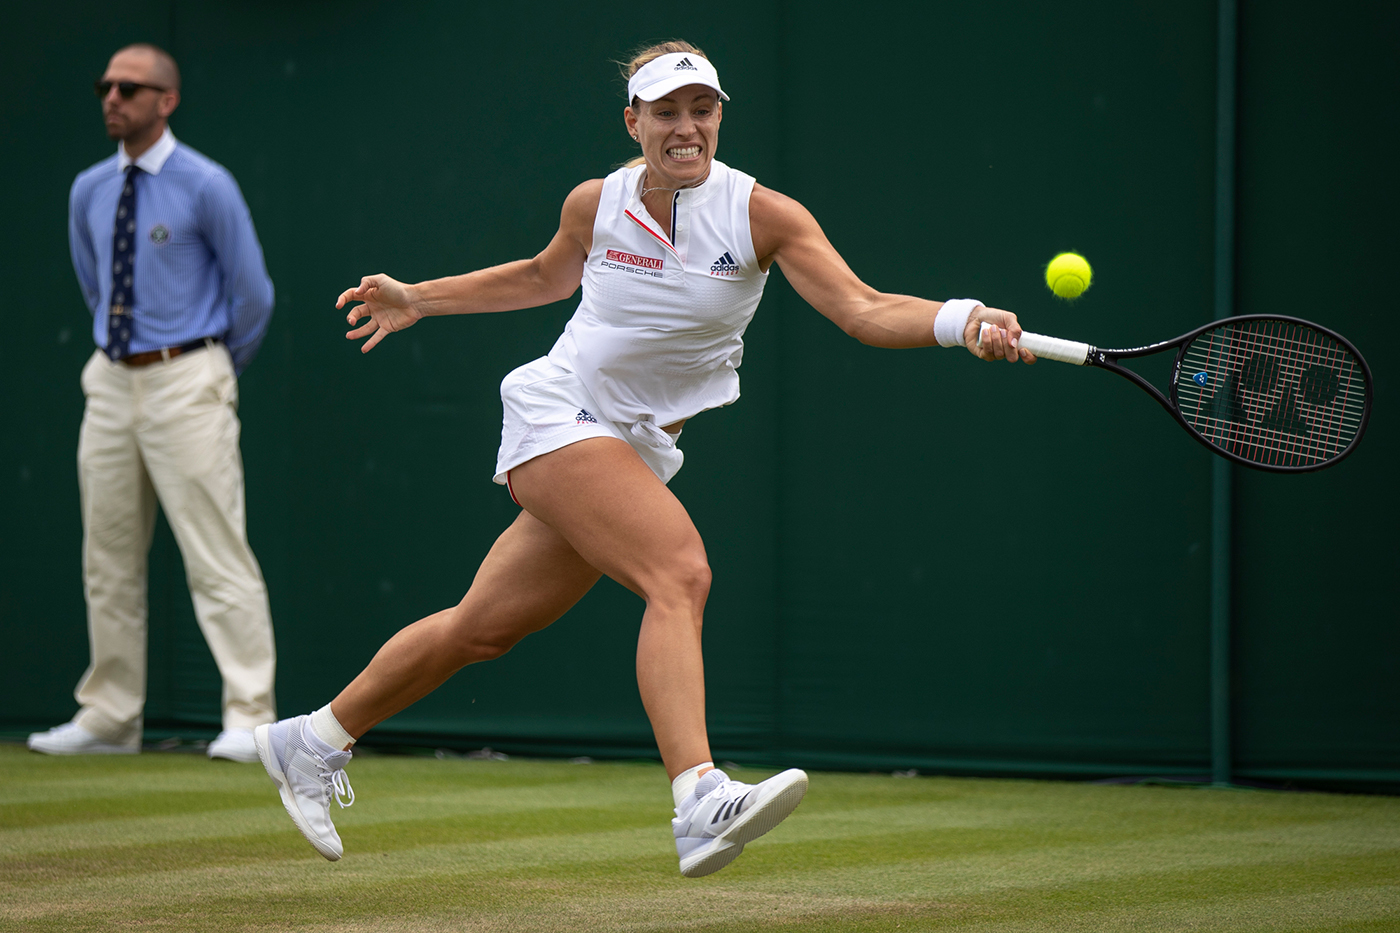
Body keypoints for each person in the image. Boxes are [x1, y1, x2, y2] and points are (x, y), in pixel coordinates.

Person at [253, 40, 1034, 875]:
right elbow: (540, 276)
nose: (687, 127)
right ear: (635, 122)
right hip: (558, 409)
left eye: (702, 109)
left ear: (720, 117)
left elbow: (865, 308)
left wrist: (963, 319)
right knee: (679, 572)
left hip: (634, 442)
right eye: (666, 111)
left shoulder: (765, 215)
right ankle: (698, 796)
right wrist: (419, 299)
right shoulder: (596, 202)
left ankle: (313, 737)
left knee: (480, 630)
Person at [28, 44, 278, 764]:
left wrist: (208, 369)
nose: (112, 97)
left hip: (189, 375)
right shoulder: (88, 188)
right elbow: (92, 281)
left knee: (216, 549)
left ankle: (248, 713)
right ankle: (109, 715)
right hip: (109, 378)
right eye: (105, 86)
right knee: (105, 554)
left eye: (130, 88)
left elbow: (252, 293)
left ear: (165, 101)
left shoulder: (207, 183)